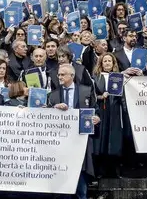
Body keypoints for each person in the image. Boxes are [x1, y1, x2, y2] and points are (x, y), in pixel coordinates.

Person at [49, 63, 100, 199]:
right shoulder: (52, 96)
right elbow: (46, 118)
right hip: (60, 142)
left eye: (62, 74)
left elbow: (96, 110)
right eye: (58, 74)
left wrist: (96, 118)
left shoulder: (86, 90)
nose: (59, 77)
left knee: (80, 178)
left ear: (72, 75)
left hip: (80, 140)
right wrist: (54, 109)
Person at [92, 53, 125, 178]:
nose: (107, 63)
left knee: (114, 140)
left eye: (109, 61)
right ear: (101, 63)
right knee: (101, 139)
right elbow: (91, 95)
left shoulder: (118, 77)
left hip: (115, 111)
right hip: (101, 110)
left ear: (113, 63)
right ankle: (100, 171)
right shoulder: (95, 77)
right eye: (104, 61)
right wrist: (101, 96)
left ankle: (114, 171)